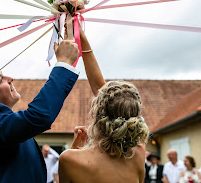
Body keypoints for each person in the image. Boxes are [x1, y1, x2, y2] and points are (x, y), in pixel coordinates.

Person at [0, 40, 79, 183]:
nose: (10, 79)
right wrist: (64, 63)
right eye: (0, 79)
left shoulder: (3, 127)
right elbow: (38, 116)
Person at [58, 26, 149, 183]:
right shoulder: (139, 153)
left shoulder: (70, 159)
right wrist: (82, 39)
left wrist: (75, 149)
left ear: (97, 114)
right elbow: (104, 94)